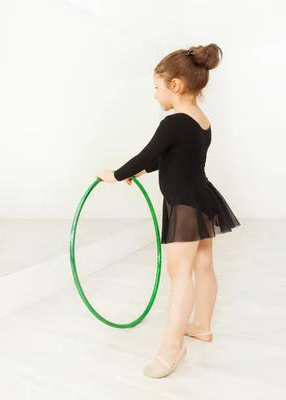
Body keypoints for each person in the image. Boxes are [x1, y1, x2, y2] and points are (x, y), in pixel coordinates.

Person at [96, 44, 240, 378]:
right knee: (203, 264)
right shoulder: (201, 121)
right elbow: (173, 158)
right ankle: (202, 325)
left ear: (175, 86)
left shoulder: (172, 123)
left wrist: (116, 174)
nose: (155, 95)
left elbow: (147, 155)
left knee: (180, 272)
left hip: (185, 205)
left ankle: (173, 347)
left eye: (157, 87)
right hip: (202, 197)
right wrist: (142, 173)